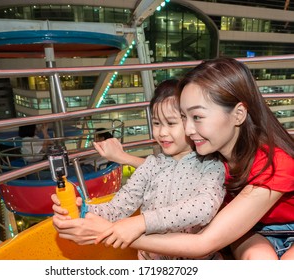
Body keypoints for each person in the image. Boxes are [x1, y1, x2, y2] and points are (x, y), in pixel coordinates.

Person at [95, 57, 294, 260]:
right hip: (253, 231)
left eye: (197, 117)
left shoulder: (274, 164)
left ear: (238, 114)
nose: (189, 130)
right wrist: (123, 157)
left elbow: (203, 242)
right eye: (184, 118)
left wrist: (117, 231)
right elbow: (169, 169)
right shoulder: (211, 154)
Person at [52, 79, 226, 260]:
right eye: (157, 123)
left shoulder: (211, 165)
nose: (162, 133)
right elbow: (117, 208)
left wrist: (143, 223)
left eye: (171, 123)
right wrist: (83, 210)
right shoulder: (150, 165)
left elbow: (204, 208)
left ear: (190, 123)